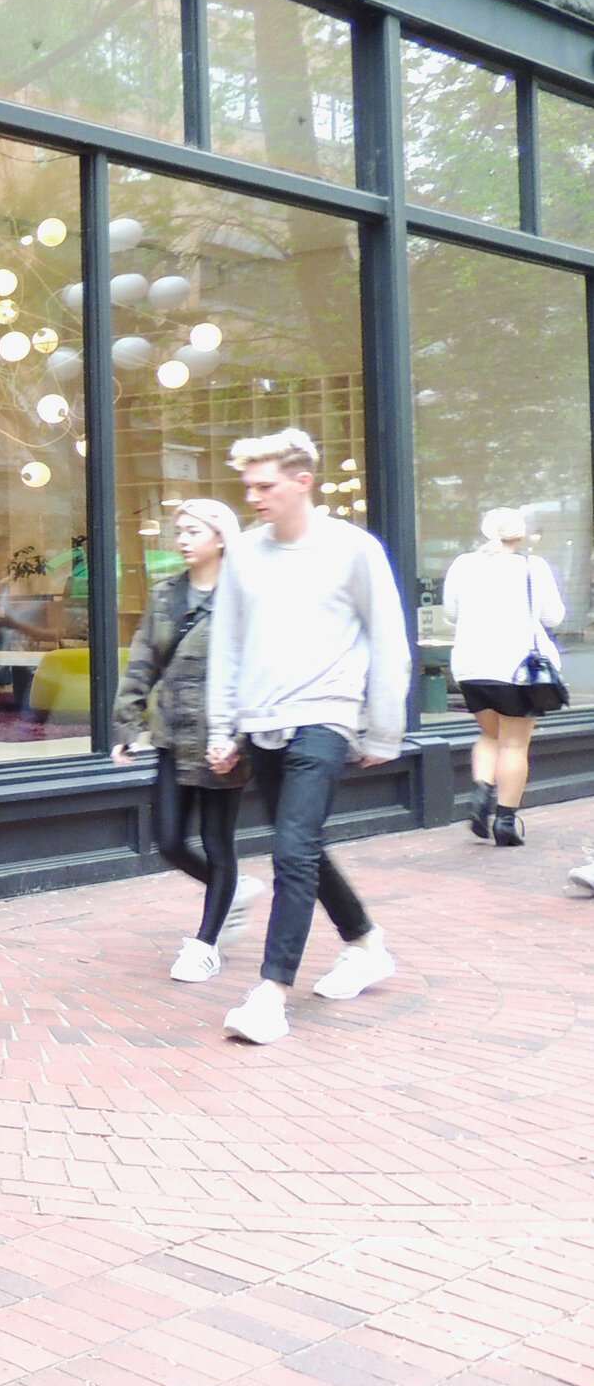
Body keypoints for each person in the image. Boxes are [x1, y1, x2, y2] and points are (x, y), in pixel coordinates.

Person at [205, 428, 410, 1046]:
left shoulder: (354, 549)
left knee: (292, 851)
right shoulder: (242, 554)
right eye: (248, 486)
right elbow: (228, 645)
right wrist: (226, 726)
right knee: (304, 848)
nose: (255, 497)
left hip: (325, 717)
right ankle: (367, 944)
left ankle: (270, 997)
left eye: (265, 485)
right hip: (262, 724)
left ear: (303, 482)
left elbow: (388, 640)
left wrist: (383, 729)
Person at [111, 499, 264, 982]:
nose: (181, 539)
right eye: (178, 531)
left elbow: (259, 673)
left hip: (223, 743)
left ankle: (205, 944)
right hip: (172, 738)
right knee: (169, 841)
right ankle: (232, 891)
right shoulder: (165, 596)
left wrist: (240, 738)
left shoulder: (246, 596)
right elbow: (142, 662)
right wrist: (128, 723)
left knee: (218, 844)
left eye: (193, 531)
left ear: (221, 538)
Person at [442, 507, 567, 848]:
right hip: (516, 669)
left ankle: (482, 793)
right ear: (520, 533)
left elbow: (452, 613)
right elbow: (553, 616)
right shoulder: (532, 567)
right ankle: (506, 823)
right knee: (514, 743)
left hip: (470, 667)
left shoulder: (462, 565)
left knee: (489, 734)